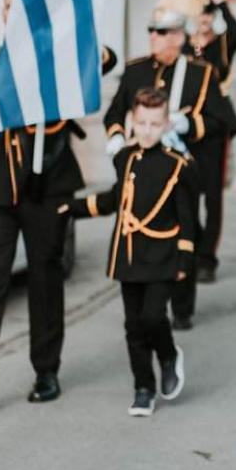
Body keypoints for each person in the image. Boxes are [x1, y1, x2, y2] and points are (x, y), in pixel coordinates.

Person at [0, 0, 85, 413]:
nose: (17, 15)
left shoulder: (61, 62)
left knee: (45, 279)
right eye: (11, 7)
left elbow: (104, 59)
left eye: (25, 9)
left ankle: (46, 370)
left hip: (46, 187)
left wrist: (62, 40)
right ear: (3, 12)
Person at [61, 88, 193, 416]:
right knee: (133, 325)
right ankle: (143, 387)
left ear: (165, 125)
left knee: (153, 317)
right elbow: (113, 200)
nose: (147, 130)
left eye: (154, 124)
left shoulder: (178, 166)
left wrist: (185, 258)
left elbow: (187, 218)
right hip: (129, 253)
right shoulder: (126, 159)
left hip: (162, 254)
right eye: (142, 123)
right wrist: (74, 207)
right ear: (132, 122)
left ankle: (168, 355)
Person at [103, 5, 221, 330]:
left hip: (179, 167)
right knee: (142, 226)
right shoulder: (135, 70)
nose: (154, 37)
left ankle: (182, 306)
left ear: (180, 37)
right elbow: (113, 113)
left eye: (162, 32)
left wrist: (188, 124)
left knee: (185, 229)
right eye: (152, 31)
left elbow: (219, 120)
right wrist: (115, 139)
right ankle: (145, 298)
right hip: (141, 165)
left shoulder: (200, 72)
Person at [187, 0, 236, 283]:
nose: (204, 18)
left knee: (213, 195)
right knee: (187, 191)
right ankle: (194, 247)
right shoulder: (184, 45)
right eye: (200, 12)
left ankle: (208, 257)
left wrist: (223, 5)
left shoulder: (221, 44)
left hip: (216, 126)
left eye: (208, 13)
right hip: (186, 128)